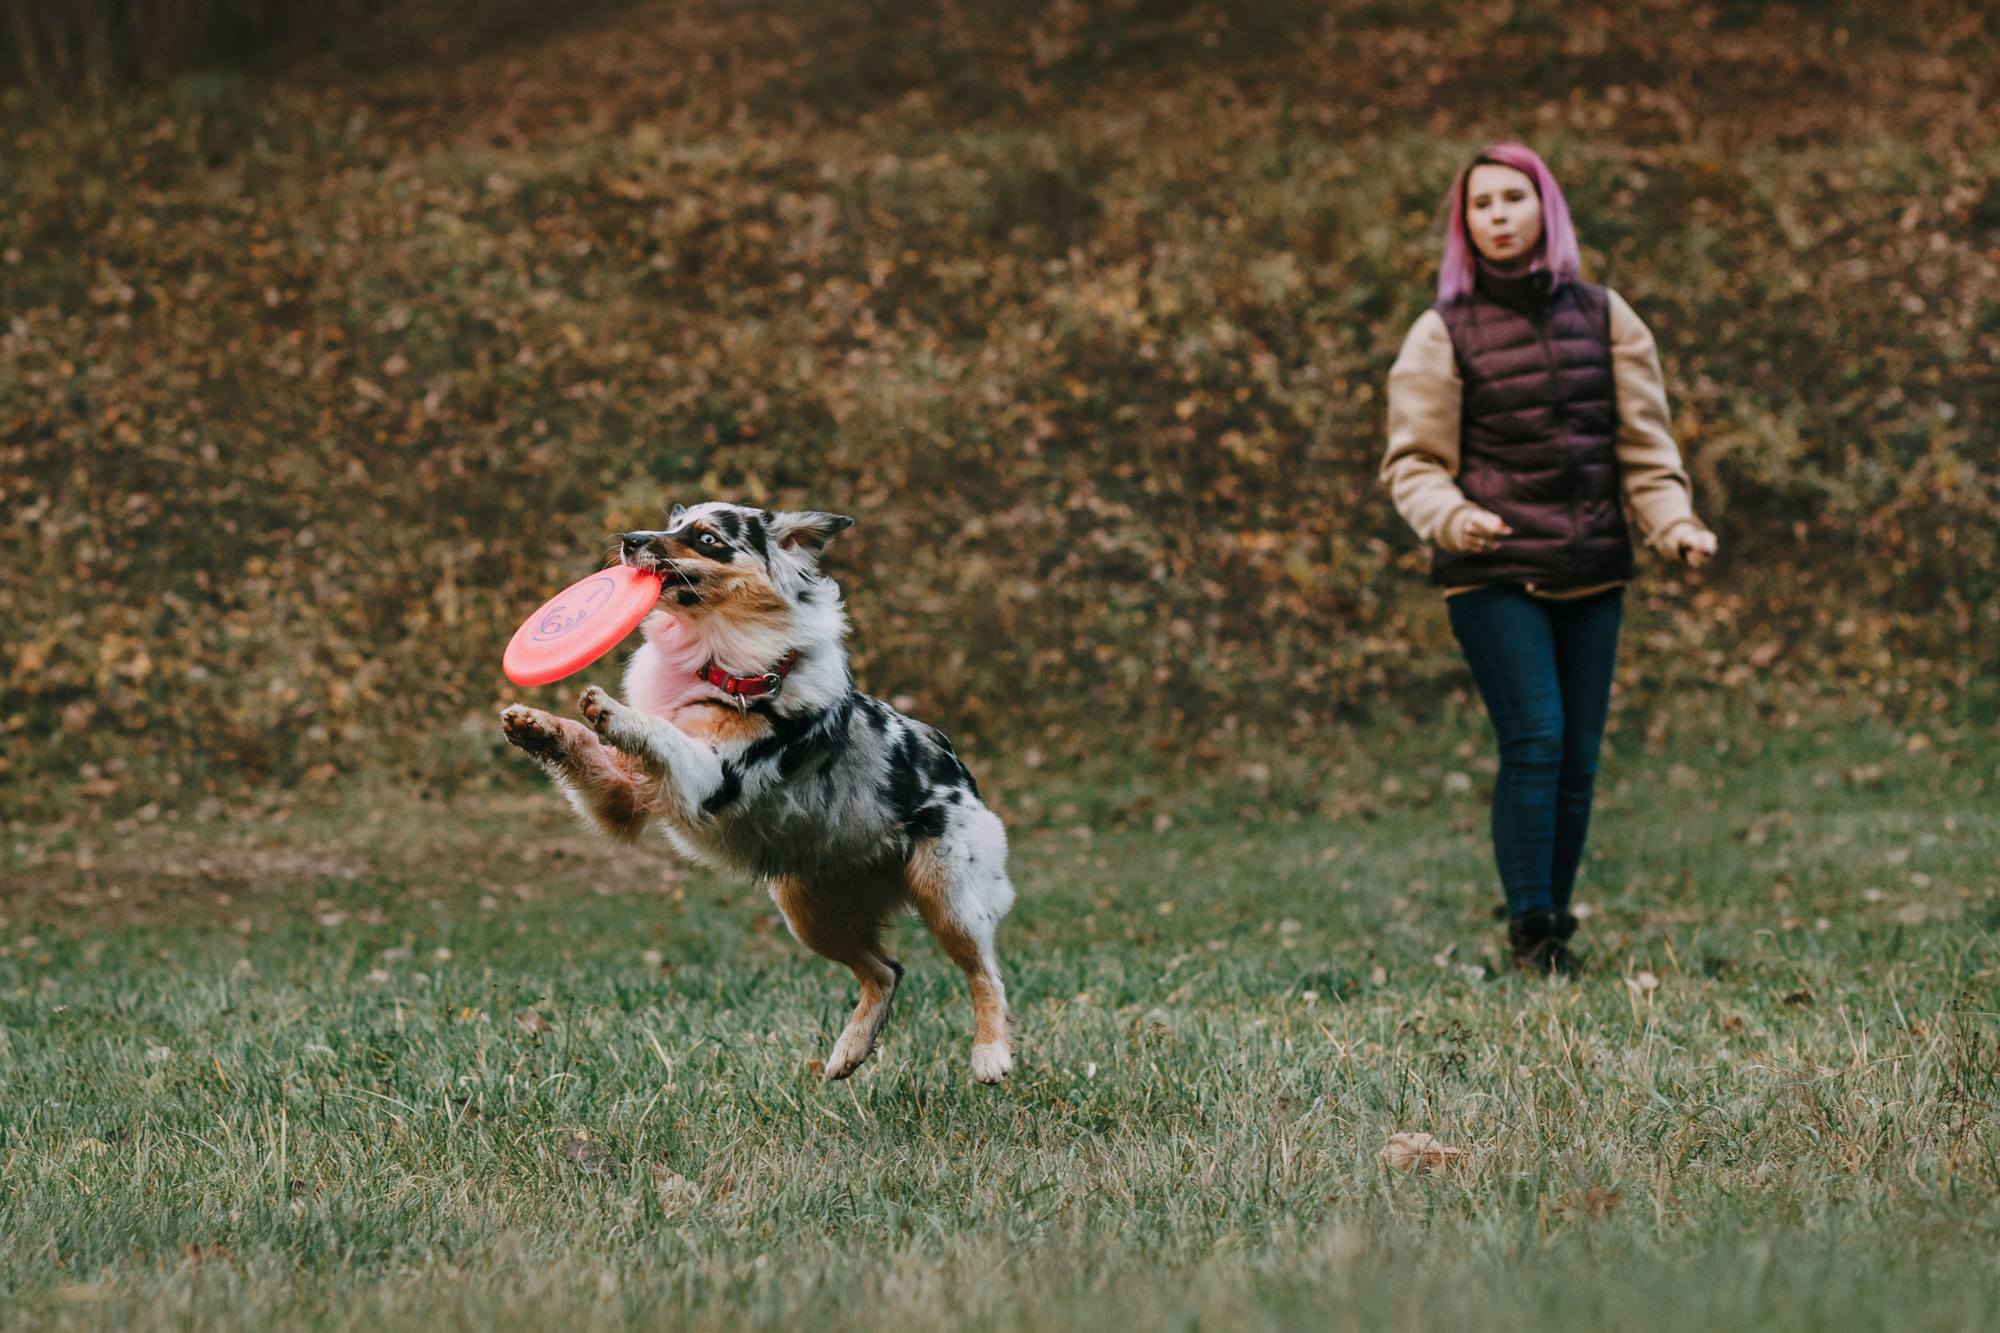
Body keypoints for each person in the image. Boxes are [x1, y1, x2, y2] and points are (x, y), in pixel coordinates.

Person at [1380, 142, 1717, 976]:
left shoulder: (1607, 315)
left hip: (1593, 567)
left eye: (1512, 199)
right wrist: (1454, 520)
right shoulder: (1441, 331)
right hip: (1491, 571)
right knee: (1536, 736)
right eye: (1481, 204)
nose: (1497, 215)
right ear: (1465, 225)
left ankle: (1553, 921)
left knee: (1578, 757)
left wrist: (1673, 524)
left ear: (1546, 210)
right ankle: (1534, 933)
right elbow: (1411, 462)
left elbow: (1644, 445)